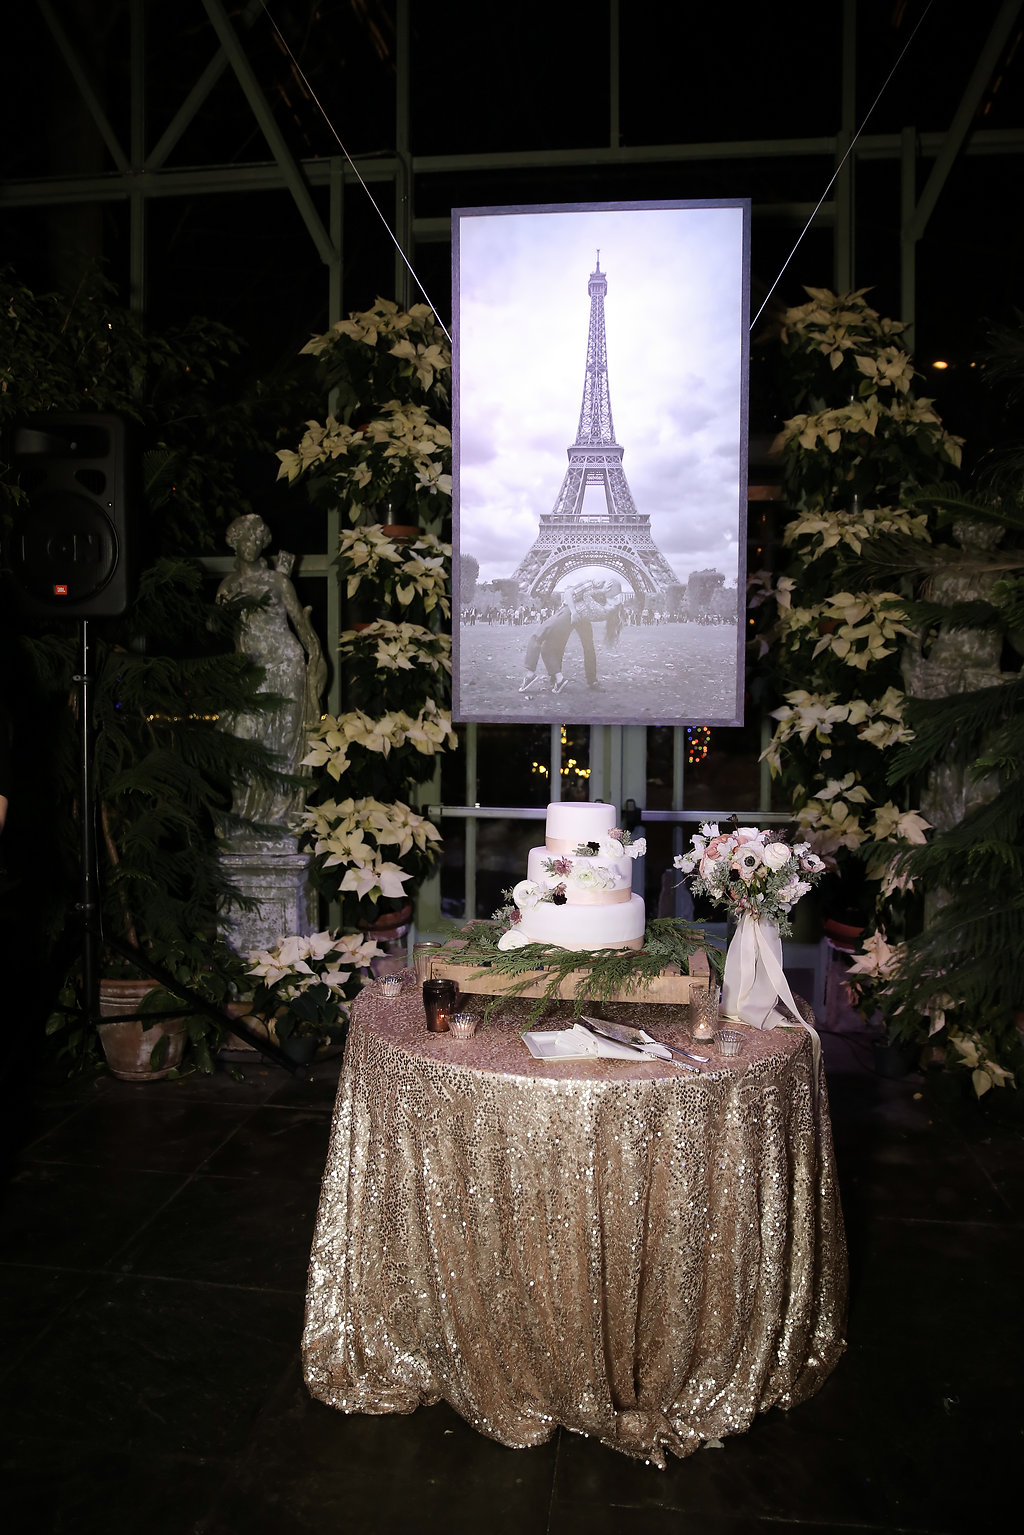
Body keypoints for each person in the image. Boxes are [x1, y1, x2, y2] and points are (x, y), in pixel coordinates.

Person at [217, 515, 327, 828]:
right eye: (245, 538)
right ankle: (246, 812)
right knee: (246, 740)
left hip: (286, 665)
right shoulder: (227, 587)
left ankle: (279, 818)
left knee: (284, 740)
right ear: (235, 543)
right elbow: (230, 636)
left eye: (256, 538)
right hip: (253, 671)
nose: (250, 544)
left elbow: (302, 628)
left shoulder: (279, 581)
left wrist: (317, 660)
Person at [519, 577, 623, 694]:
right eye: (612, 594)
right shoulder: (590, 584)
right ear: (607, 586)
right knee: (560, 645)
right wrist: (574, 611)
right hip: (572, 612)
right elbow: (568, 593)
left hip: (580, 616)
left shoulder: (604, 597)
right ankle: (557, 677)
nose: (611, 597)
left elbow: (594, 604)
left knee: (588, 648)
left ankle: (587, 680)